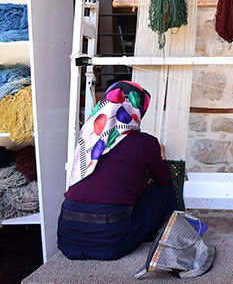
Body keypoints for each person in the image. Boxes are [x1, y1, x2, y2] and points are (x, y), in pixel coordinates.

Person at [58, 81, 176, 260]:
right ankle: (165, 240)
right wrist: (161, 157)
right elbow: (163, 179)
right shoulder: (144, 142)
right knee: (165, 188)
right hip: (111, 242)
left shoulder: (87, 137)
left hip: (68, 238)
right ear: (138, 109)